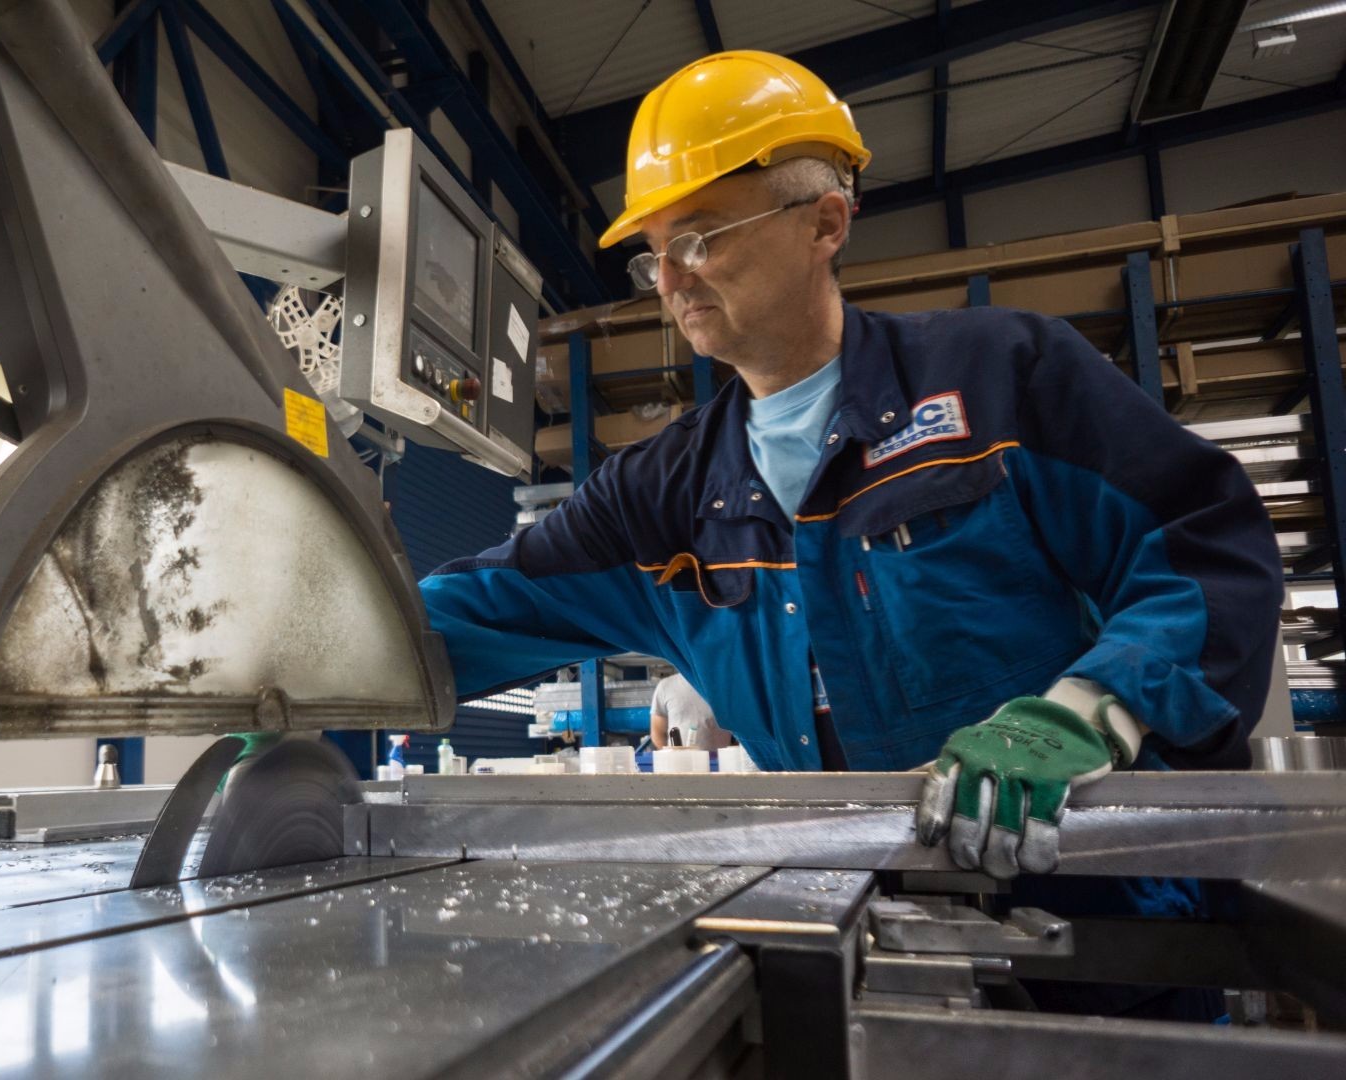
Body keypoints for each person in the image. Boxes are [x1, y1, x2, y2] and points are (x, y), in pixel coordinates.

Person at [417, 51, 1280, 1018]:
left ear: (825, 222)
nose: (670, 280)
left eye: (697, 237)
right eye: (653, 253)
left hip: (1107, 944)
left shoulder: (1000, 378)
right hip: (869, 958)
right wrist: (309, 649)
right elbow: (470, 611)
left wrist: (1086, 712)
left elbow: (1205, 546)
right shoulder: (657, 497)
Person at [650, 672, 730, 751]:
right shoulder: (666, 686)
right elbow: (658, 733)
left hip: (719, 758)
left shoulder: (725, 686)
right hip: (677, 758)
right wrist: (671, 755)